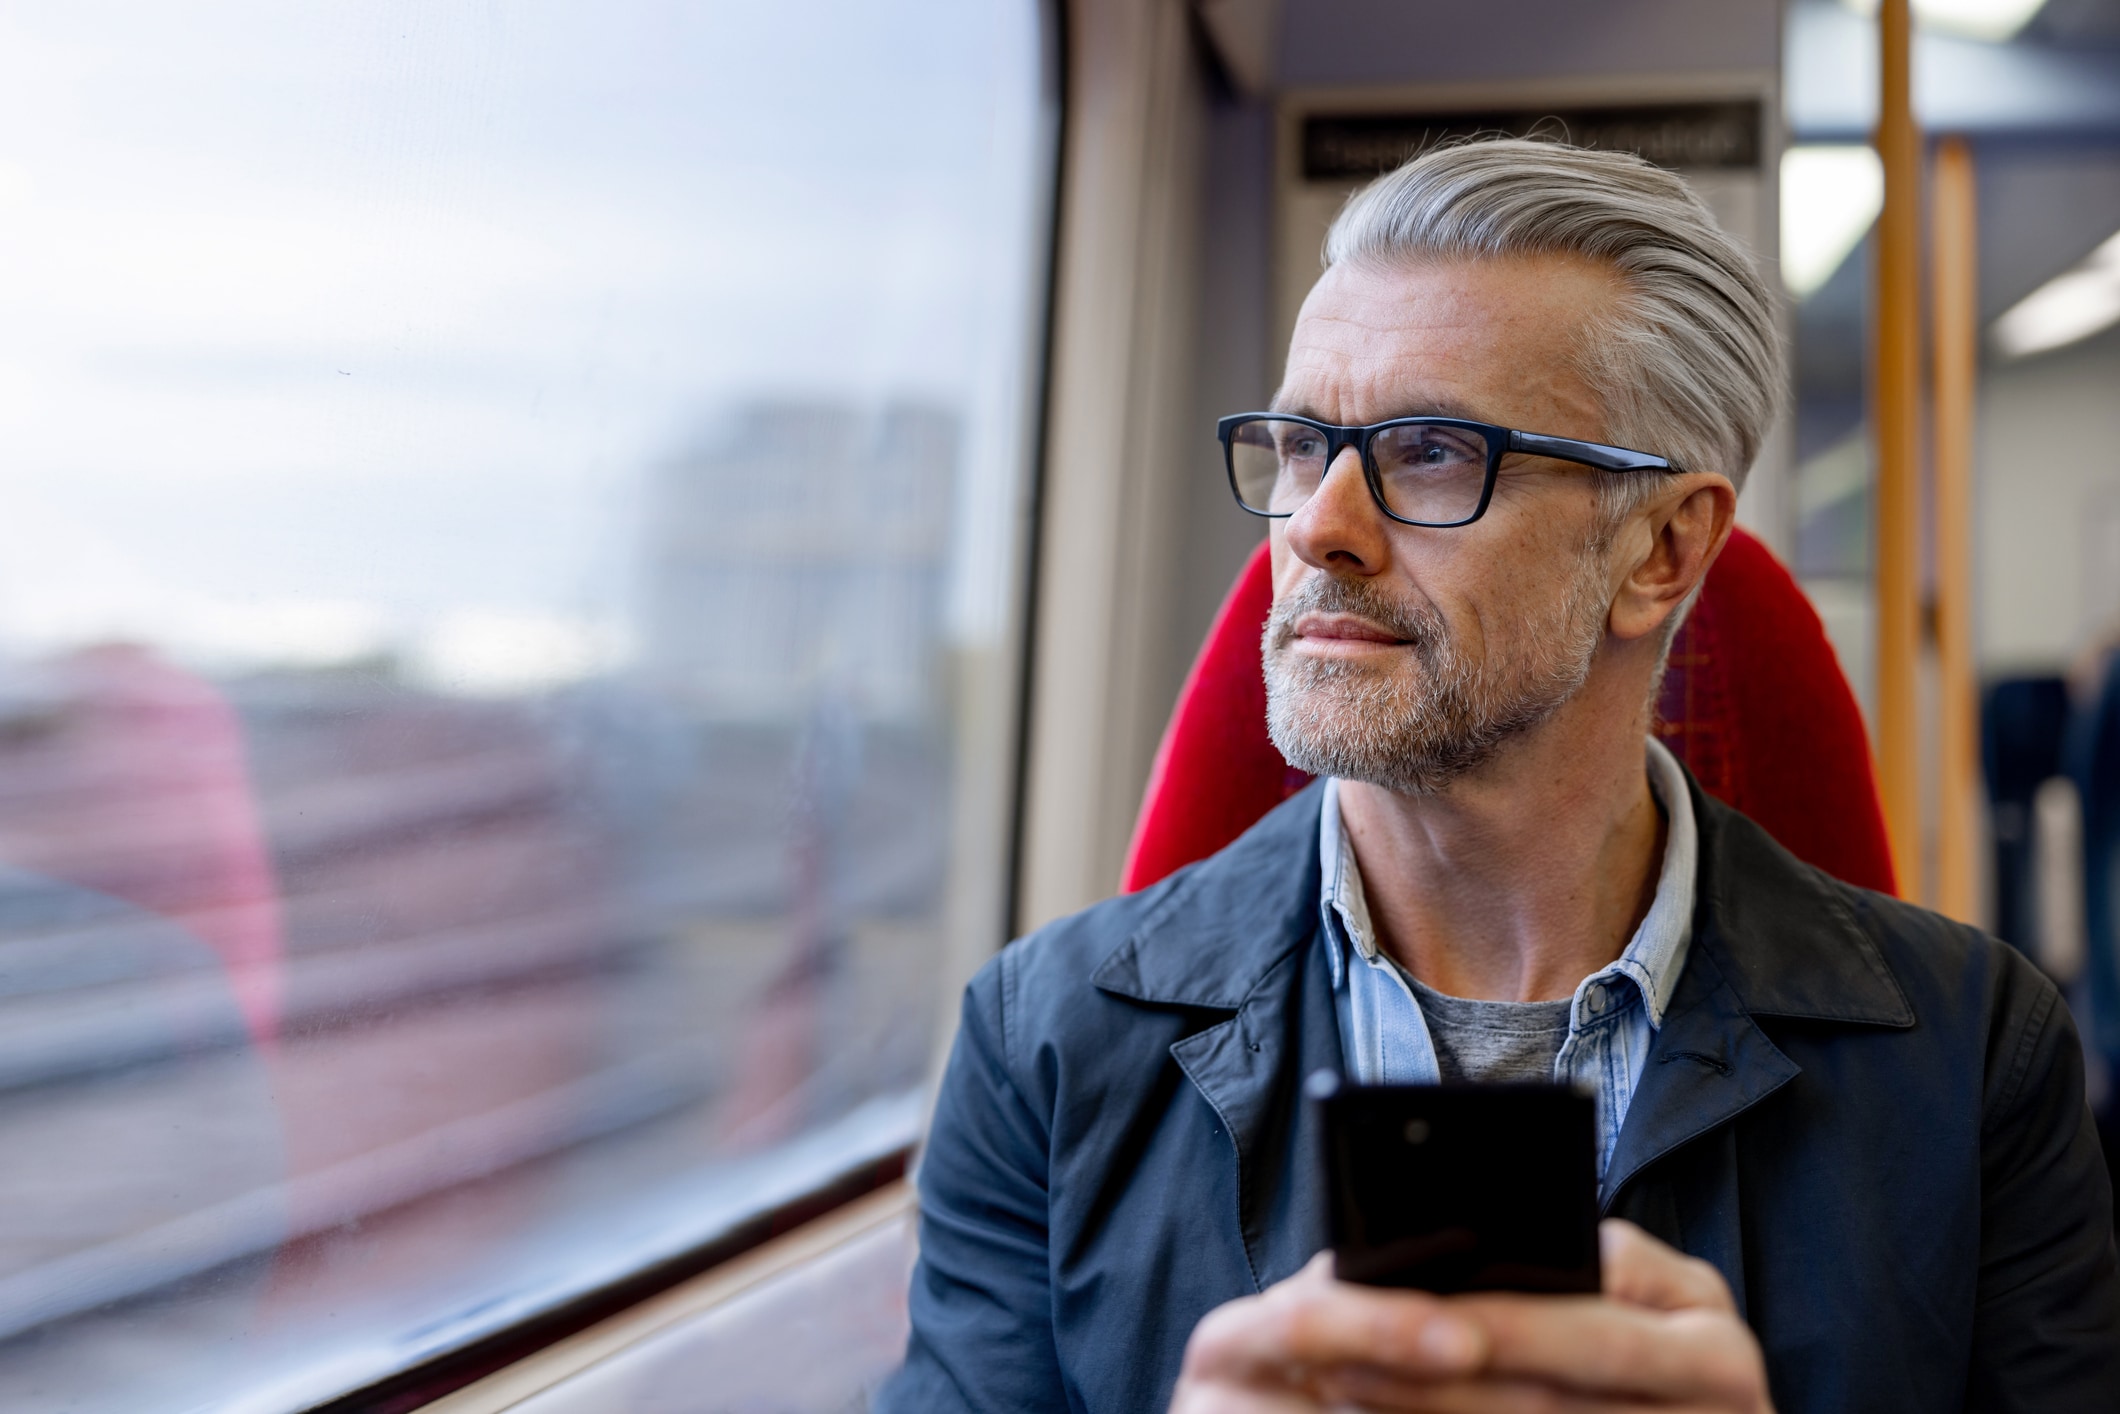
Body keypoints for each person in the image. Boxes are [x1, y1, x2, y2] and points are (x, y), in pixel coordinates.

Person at [878, 139, 2120, 1412]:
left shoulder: (1979, 1061)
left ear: (1660, 548)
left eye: (1429, 450)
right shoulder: (1042, 1046)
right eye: (1301, 445)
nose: (1315, 527)